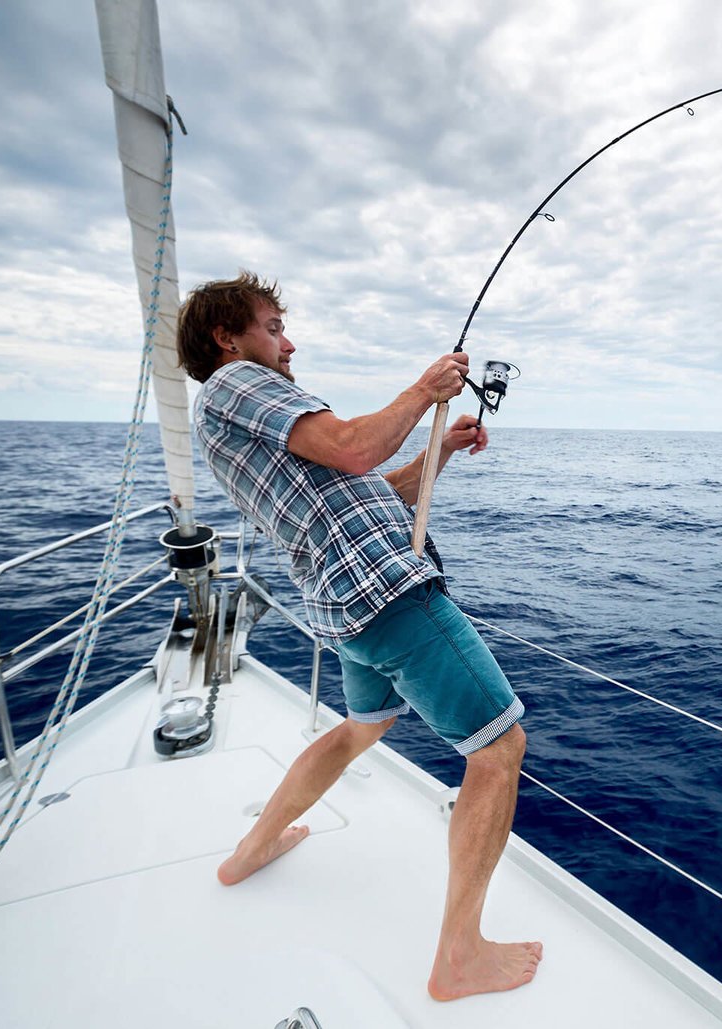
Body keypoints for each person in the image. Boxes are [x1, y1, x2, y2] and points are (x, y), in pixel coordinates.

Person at [175, 270, 541, 1001]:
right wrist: (424, 389)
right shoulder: (236, 384)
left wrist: (435, 451)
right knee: (499, 748)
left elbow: (368, 488)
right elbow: (351, 448)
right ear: (227, 336)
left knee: (359, 729)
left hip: (344, 605)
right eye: (274, 325)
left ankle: (251, 850)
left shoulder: (227, 417)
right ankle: (459, 955)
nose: (289, 342)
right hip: (387, 591)